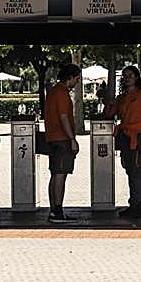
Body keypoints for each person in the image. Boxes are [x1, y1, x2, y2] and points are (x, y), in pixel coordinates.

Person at [105, 65, 141, 219]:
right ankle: (134, 204)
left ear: (136, 78)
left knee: (138, 170)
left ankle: (140, 205)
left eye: (130, 75)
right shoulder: (121, 98)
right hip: (126, 137)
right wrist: (108, 102)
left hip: (139, 136)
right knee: (130, 170)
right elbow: (109, 113)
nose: (127, 78)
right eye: (125, 75)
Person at [43, 64, 81, 223]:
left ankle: (54, 209)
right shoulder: (63, 94)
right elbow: (64, 117)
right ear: (70, 77)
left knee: (54, 174)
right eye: (77, 78)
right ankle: (57, 211)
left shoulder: (52, 92)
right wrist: (72, 139)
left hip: (52, 138)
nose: (77, 82)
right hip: (62, 139)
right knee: (61, 175)